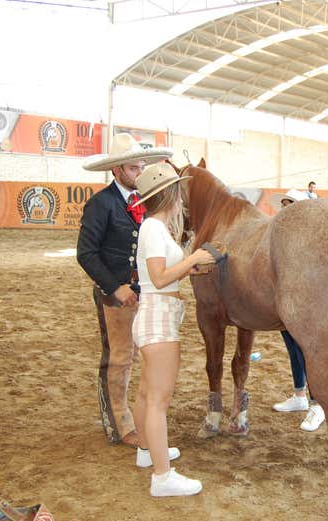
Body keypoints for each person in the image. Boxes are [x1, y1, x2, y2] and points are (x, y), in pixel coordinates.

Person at [77, 133, 173, 447]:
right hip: (115, 294)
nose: (139, 173)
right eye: (133, 169)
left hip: (142, 291)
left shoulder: (144, 204)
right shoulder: (101, 204)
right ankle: (118, 423)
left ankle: (139, 416)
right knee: (119, 358)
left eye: (141, 167)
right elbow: (86, 253)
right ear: (117, 170)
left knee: (137, 355)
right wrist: (115, 287)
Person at [130, 162, 215, 496]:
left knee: (147, 392)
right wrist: (193, 260)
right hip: (159, 317)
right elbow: (160, 277)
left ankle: (147, 452)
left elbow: (163, 273)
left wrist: (188, 269)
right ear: (169, 194)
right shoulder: (154, 228)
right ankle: (162, 477)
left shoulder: (156, 228)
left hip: (156, 313)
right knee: (158, 400)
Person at [269, 190, 326, 431]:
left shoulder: (312, 239)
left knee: (307, 352)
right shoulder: (281, 240)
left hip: (306, 304)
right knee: (293, 350)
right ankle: (300, 395)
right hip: (287, 302)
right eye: (283, 206)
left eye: (290, 205)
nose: (285, 211)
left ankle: (317, 404)